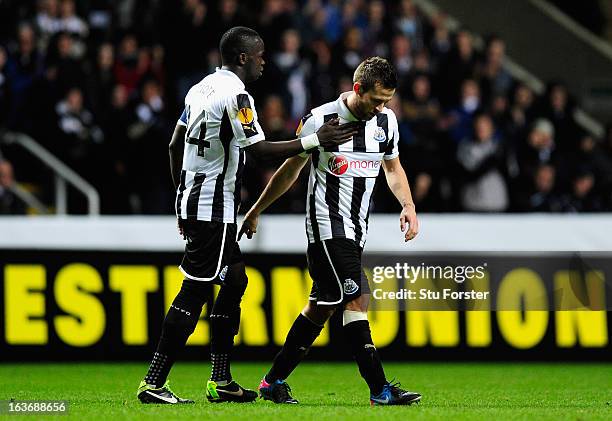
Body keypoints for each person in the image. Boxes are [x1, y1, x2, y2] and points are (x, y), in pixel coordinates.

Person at [137, 26, 359, 405]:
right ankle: (153, 383)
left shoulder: (200, 88)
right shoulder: (238, 95)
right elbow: (258, 151)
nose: (263, 61)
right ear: (242, 57)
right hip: (213, 208)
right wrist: (314, 140)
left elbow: (175, 143)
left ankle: (220, 380)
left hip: (196, 202)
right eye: (259, 55)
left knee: (235, 280)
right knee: (194, 289)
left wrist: (182, 196)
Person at [239, 57, 422, 406]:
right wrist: (256, 209)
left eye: (387, 100)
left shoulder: (386, 122)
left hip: (356, 232)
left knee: (319, 308)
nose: (382, 107)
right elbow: (290, 170)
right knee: (357, 297)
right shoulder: (319, 120)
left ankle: (272, 381)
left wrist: (408, 205)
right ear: (358, 90)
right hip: (325, 229)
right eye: (377, 100)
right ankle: (380, 389)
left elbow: (393, 167)